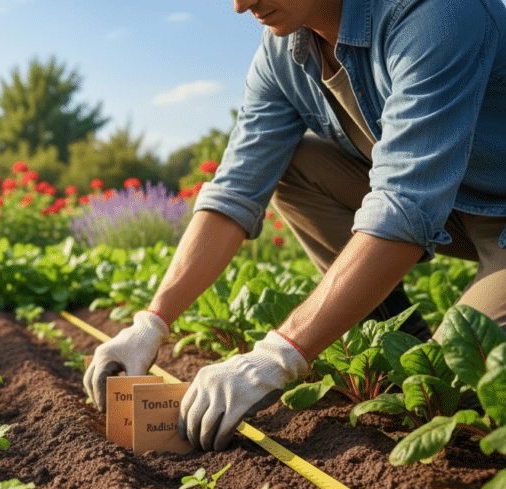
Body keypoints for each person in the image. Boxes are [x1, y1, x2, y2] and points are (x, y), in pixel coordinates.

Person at [83, 0, 506, 452]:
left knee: (445, 391)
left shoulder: (434, 14)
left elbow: (405, 204)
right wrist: (152, 321)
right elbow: (235, 190)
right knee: (294, 163)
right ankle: (397, 341)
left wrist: (278, 355)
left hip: (461, 208)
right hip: (454, 206)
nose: (242, 5)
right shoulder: (285, 50)